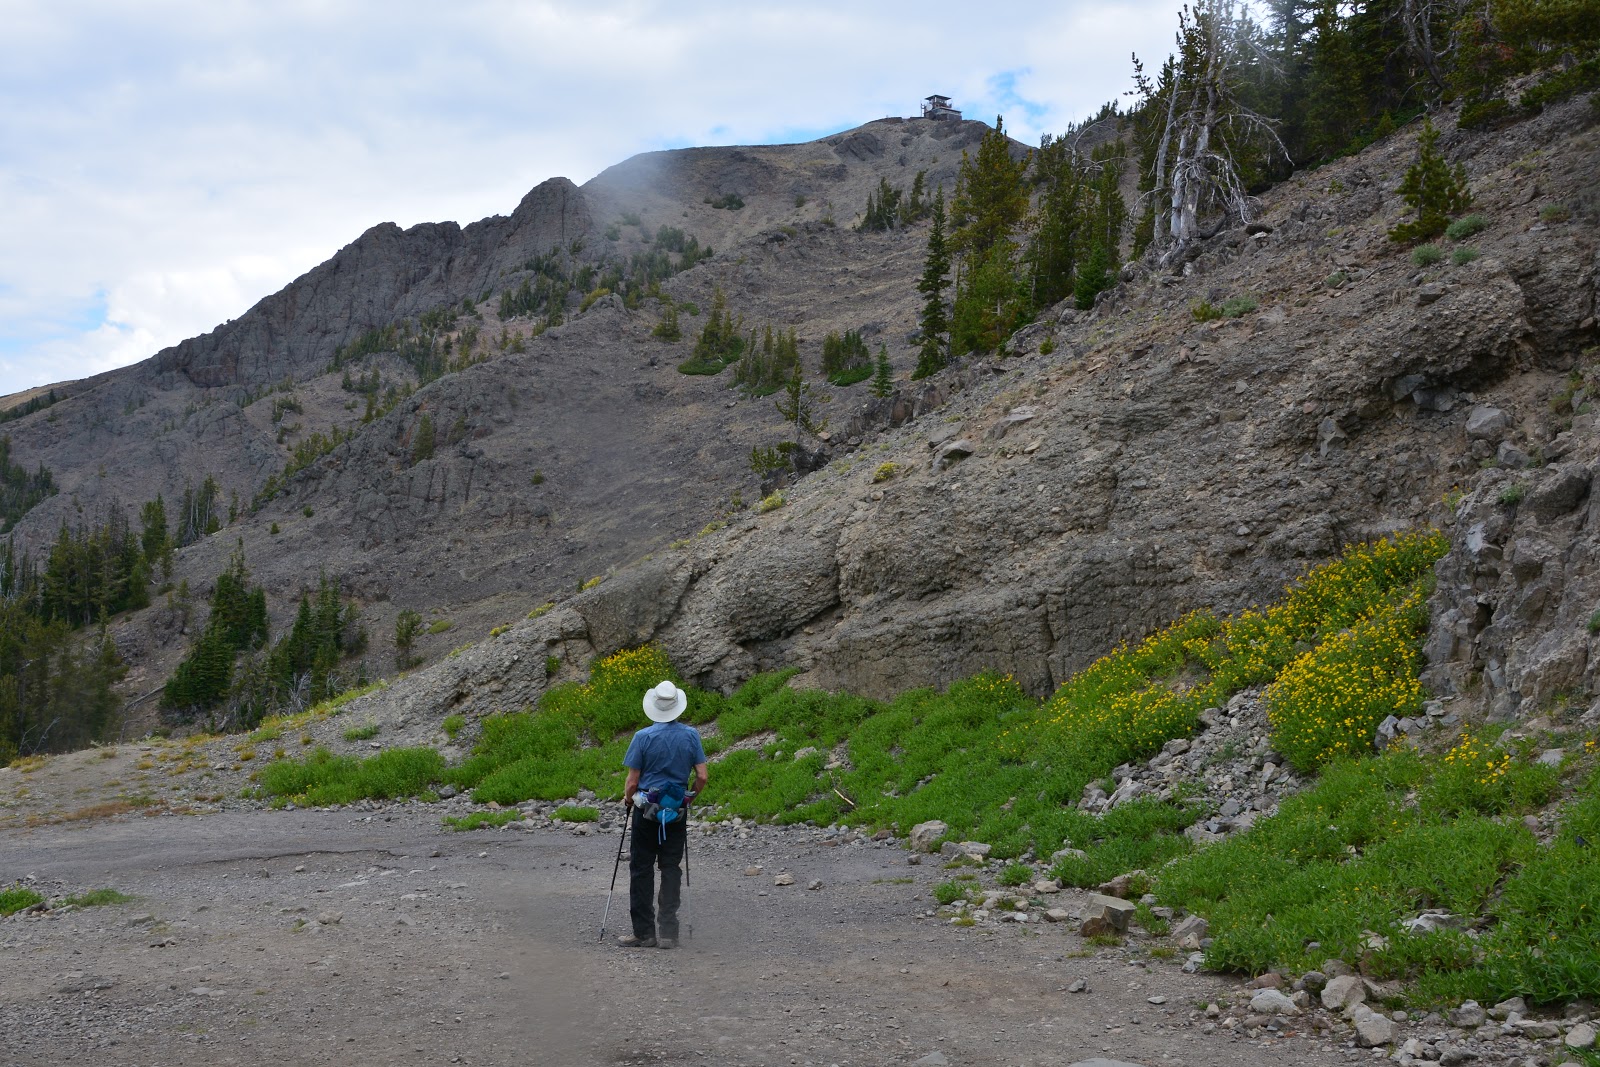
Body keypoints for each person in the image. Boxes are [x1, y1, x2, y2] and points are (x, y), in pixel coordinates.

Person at [618, 680, 708, 949]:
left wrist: (627, 800)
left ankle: (644, 933)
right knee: (671, 868)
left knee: (641, 869)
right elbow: (702, 776)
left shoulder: (642, 737)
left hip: (646, 811)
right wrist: (688, 797)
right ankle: (669, 932)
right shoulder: (691, 735)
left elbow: (632, 782)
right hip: (675, 811)